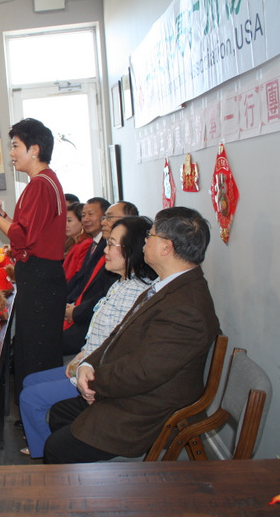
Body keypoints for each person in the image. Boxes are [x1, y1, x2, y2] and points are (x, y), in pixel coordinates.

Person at [44, 207, 221, 463]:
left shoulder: (187, 308)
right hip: (134, 392)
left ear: (166, 247)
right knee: (61, 413)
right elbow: (119, 335)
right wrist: (89, 364)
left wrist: (94, 382)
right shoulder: (167, 286)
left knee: (56, 448)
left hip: (148, 411)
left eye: (150, 235)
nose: (145, 241)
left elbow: (143, 372)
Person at [19, 216, 156, 458]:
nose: (105, 250)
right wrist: (82, 355)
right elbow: (103, 336)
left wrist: (84, 365)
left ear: (131, 250)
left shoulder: (133, 293)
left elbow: (118, 349)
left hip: (96, 375)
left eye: (111, 244)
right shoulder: (121, 284)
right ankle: (43, 438)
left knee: (30, 397)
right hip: (89, 361)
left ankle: (44, 450)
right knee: (30, 381)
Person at [0, 118, 66, 398]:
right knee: (35, 346)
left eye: (16, 146)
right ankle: (36, 410)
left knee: (37, 350)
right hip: (42, 275)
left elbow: (23, 237)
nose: (11, 153)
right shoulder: (45, 181)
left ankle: (37, 411)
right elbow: (27, 230)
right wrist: (3, 215)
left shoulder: (40, 185)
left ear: (35, 149)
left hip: (40, 276)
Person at [65, 197, 110, 301]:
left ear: (104, 216)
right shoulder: (93, 244)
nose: (85, 219)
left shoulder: (105, 245)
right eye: (83, 215)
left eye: (90, 214)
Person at [62, 202, 90, 279]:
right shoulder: (72, 243)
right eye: (64, 220)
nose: (65, 224)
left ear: (82, 222)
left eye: (69, 221)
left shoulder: (86, 244)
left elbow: (78, 275)